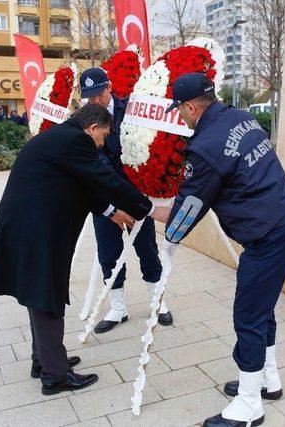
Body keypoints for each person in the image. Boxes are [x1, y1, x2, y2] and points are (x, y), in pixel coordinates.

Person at [152, 73, 285, 427]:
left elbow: (187, 210)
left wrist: (157, 220)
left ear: (190, 106)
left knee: (247, 316)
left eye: (180, 111)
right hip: (284, 220)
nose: (181, 117)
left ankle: (249, 405)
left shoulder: (205, 147)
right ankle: (267, 380)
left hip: (266, 236)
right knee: (261, 310)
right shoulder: (241, 117)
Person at [0, 104, 157, 395]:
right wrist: (147, 208)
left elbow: (81, 185)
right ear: (93, 128)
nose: (103, 143)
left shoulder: (62, 138)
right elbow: (102, 178)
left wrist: (112, 211)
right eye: (104, 136)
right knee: (45, 293)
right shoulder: (75, 141)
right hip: (37, 229)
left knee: (39, 292)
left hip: (30, 225)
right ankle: (55, 375)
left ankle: (46, 360)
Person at [79, 67, 173, 334]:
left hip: (136, 194)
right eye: (89, 96)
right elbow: (93, 159)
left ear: (108, 87)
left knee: (147, 250)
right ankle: (117, 308)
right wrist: (112, 193)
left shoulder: (131, 108)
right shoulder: (83, 118)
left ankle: (158, 303)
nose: (95, 100)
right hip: (105, 196)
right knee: (109, 254)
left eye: (98, 93)